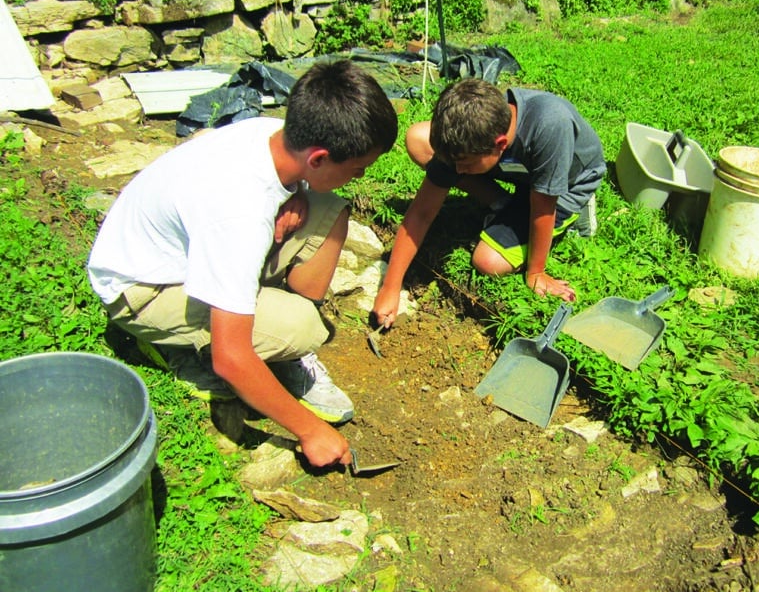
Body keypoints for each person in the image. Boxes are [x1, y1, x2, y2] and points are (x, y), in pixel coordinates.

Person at [88, 59, 398, 469]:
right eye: (357, 169)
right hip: (142, 291)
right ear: (319, 158)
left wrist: (297, 190)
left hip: (180, 248)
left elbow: (288, 189)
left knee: (329, 210)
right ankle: (174, 347)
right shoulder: (239, 213)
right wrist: (310, 431)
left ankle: (262, 332)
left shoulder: (270, 134)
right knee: (301, 326)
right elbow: (230, 356)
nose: (359, 177)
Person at [373, 77, 605, 327]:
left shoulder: (550, 125)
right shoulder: (475, 133)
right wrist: (390, 286)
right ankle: (505, 204)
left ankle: (573, 211)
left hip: (567, 185)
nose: (458, 171)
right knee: (419, 138)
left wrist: (536, 272)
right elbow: (421, 213)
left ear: (500, 144)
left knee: (488, 261)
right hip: (519, 172)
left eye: (465, 163)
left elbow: (543, 209)